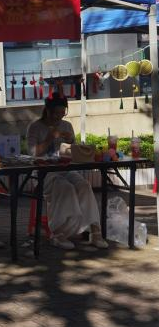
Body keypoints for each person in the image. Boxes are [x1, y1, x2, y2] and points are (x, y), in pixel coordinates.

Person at [27, 94, 108, 250]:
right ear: (47, 111)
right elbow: (33, 153)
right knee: (66, 188)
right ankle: (58, 234)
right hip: (44, 173)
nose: (59, 117)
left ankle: (95, 231)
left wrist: (71, 142)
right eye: (56, 113)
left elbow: (73, 153)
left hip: (65, 169)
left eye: (62, 113)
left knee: (84, 185)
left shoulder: (66, 125)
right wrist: (50, 138)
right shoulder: (35, 127)